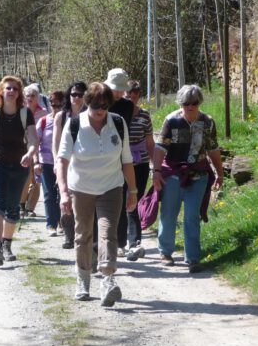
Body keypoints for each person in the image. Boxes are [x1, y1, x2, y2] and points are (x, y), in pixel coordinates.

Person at [57, 82, 137, 307]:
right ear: (86, 103)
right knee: (82, 236)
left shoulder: (118, 124)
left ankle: (108, 281)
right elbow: (61, 161)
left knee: (108, 233)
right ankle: (82, 280)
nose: (100, 110)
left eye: (104, 105)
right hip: (80, 188)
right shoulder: (74, 125)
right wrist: (63, 192)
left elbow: (127, 160)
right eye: (95, 105)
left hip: (111, 187)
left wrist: (133, 191)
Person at [153, 84, 224, 273]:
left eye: (193, 103)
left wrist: (219, 172)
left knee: (192, 216)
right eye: (186, 103)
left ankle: (192, 258)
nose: (189, 107)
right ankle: (165, 252)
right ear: (180, 103)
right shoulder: (172, 121)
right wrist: (156, 172)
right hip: (174, 174)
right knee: (169, 213)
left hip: (198, 174)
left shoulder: (207, 122)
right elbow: (160, 148)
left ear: (199, 103)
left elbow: (213, 148)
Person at [0, 76, 38, 266]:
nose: (11, 91)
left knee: (12, 207)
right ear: (1, 92)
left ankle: (6, 245)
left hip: (19, 165)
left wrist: (30, 154)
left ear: (19, 93)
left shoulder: (25, 113)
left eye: (14, 89)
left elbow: (33, 139)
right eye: (7, 88)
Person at [104, 68, 135, 259]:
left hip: (117, 156)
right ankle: (99, 242)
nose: (117, 93)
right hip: (95, 158)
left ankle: (121, 242)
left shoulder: (127, 106)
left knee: (121, 199)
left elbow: (123, 133)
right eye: (115, 89)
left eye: (120, 90)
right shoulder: (96, 101)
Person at [52, 81, 88, 249]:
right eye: (74, 94)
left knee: (82, 199)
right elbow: (56, 143)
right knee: (64, 198)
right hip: (65, 163)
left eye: (80, 94)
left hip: (83, 164)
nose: (77, 98)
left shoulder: (90, 114)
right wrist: (56, 162)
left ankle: (82, 234)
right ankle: (68, 234)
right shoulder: (61, 116)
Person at [122, 80, 155, 261]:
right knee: (123, 200)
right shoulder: (117, 114)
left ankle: (132, 242)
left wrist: (155, 167)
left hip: (140, 164)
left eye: (135, 97)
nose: (132, 100)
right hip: (120, 164)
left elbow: (150, 143)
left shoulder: (144, 116)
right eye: (128, 97)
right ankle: (130, 241)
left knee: (134, 198)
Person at [35, 90, 64, 237]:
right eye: (53, 104)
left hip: (64, 163)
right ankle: (51, 224)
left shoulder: (69, 120)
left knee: (63, 194)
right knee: (49, 194)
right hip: (46, 162)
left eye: (59, 104)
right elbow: (35, 142)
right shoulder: (43, 121)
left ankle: (61, 223)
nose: (56, 107)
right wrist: (36, 162)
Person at [19, 84, 48, 217]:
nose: (30, 98)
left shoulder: (43, 113)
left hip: (39, 148)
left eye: (33, 96)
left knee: (36, 179)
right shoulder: (20, 110)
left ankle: (30, 208)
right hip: (22, 148)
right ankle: (21, 204)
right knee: (24, 177)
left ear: (38, 97)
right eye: (28, 95)